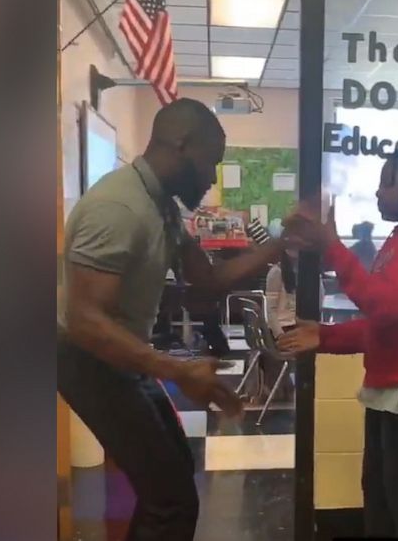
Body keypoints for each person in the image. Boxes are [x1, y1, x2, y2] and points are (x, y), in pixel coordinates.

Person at [58, 98, 289, 541]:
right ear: (182, 146)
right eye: (212, 163)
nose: (214, 177)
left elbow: (206, 281)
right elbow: (85, 321)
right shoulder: (120, 208)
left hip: (121, 358)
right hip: (87, 360)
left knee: (176, 475)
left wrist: (278, 245)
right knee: (170, 499)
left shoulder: (161, 205)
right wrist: (177, 370)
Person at [279, 144, 398, 537]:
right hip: (396, 383)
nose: (379, 192)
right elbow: (388, 325)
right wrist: (326, 336)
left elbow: (383, 306)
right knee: (379, 489)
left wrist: (332, 246)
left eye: (389, 182)